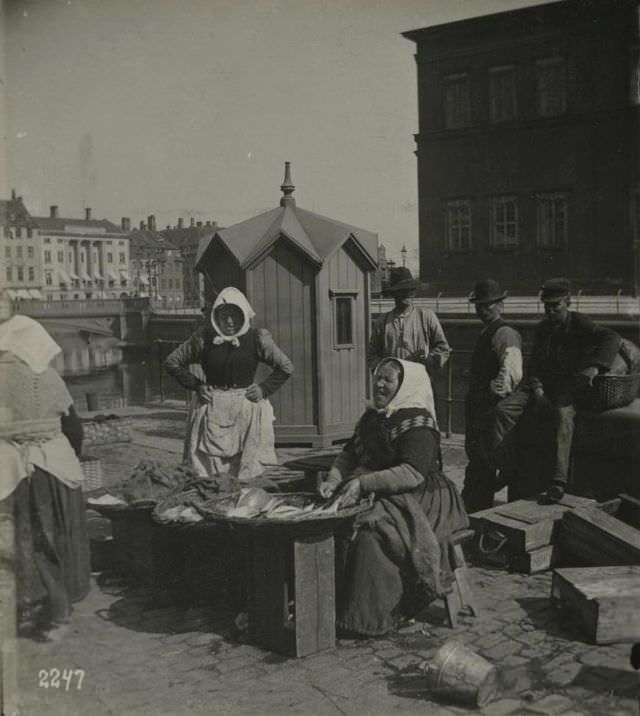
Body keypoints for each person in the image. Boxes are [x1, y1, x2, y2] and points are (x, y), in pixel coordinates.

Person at [317, 358, 469, 638]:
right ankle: (334, 603)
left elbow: (411, 473)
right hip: (385, 490)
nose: (379, 384)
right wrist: (334, 479)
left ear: (404, 385)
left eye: (388, 380)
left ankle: (374, 616)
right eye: (377, 377)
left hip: (426, 497)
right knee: (334, 518)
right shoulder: (373, 417)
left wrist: (363, 483)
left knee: (372, 533)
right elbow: (349, 455)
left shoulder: (418, 422)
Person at [0, 298, 90, 636]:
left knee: (20, 542)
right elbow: (74, 429)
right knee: (54, 539)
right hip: (52, 466)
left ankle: (23, 606)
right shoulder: (49, 378)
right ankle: (59, 607)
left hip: (9, 470)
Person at [165, 286, 293, 480]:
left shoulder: (257, 338)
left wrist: (264, 389)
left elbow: (285, 366)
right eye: (225, 316)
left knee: (245, 470)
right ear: (216, 316)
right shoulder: (203, 338)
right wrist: (197, 385)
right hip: (211, 407)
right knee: (207, 471)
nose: (230, 321)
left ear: (244, 315)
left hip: (245, 408)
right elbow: (172, 362)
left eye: (235, 315)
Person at [527, 278, 621, 502]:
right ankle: (513, 472)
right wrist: (537, 387)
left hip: (571, 388)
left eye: (555, 306)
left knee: (563, 416)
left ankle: (558, 481)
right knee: (511, 410)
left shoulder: (580, 323)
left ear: (567, 302)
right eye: (546, 306)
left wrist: (594, 367)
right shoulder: (542, 329)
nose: (550, 311)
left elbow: (612, 337)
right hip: (547, 387)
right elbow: (534, 363)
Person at [461, 279, 525, 514]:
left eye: (487, 305)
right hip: (480, 413)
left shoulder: (505, 333)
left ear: (500, 305)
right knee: (480, 468)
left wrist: (489, 391)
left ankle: (475, 516)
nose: (482, 310)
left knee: (484, 468)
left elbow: (511, 374)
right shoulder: (488, 332)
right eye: (479, 305)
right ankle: (476, 516)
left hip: (490, 412)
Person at [368, 267, 450, 376]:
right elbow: (371, 354)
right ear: (393, 293)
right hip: (393, 383)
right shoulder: (383, 321)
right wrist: (385, 369)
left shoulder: (426, 316)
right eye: (402, 290)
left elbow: (443, 348)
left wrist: (428, 359)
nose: (408, 294)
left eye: (411, 289)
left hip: (419, 380)